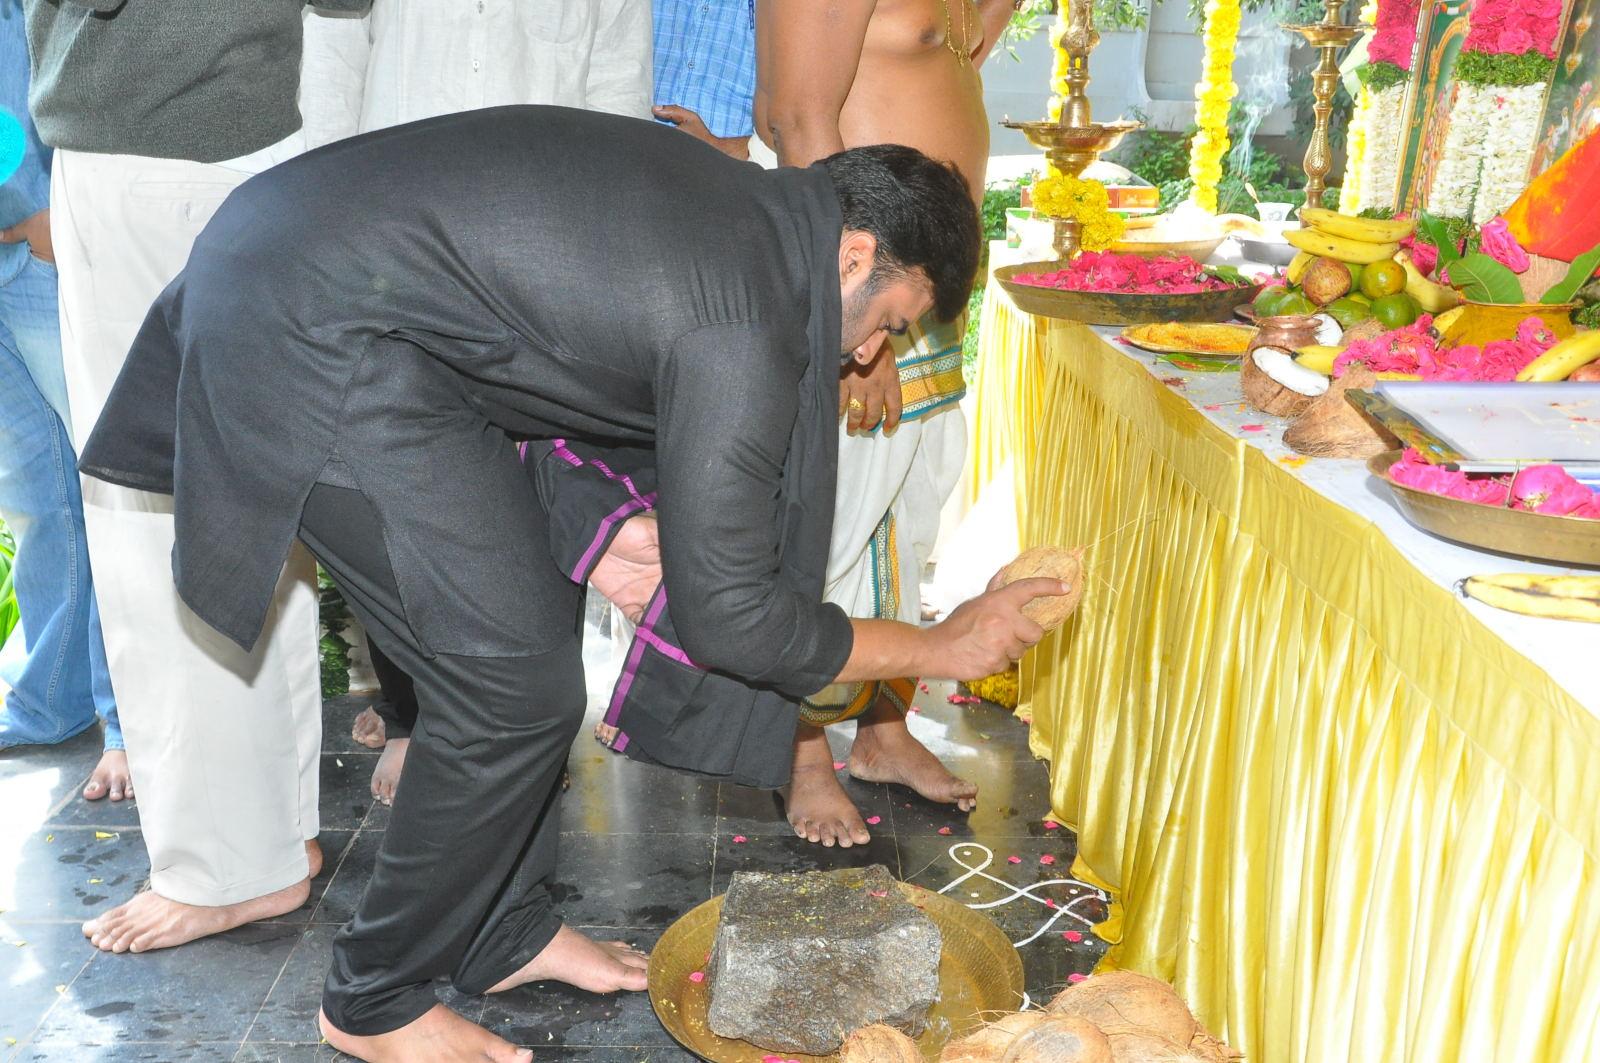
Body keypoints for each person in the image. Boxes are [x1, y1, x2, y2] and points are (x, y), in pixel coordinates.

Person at [76, 106, 1060, 1062]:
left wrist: (613, 525)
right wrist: (943, 644)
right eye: (887, 322)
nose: (867, 354)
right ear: (852, 256)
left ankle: (503, 930)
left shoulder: (750, 223)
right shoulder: (744, 314)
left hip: (362, 304)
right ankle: (372, 997)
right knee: (507, 686)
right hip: (311, 324)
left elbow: (551, 336)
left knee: (530, 624)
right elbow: (733, 621)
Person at [24, 0, 371, 954]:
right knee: (253, 501)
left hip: (149, 141)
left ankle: (228, 867)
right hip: (251, 142)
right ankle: (275, 835)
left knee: (154, 513)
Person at [297, 0, 653, 805]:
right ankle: (412, 716)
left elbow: (618, 95)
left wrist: (598, 255)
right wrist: (324, 214)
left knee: (542, 485)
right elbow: (333, 64)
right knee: (392, 486)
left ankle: (533, 725)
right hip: (389, 230)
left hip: (542, 245)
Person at [739, 0, 1017, 847]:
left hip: (918, 273)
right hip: (859, 274)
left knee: (906, 513)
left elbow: (954, 55)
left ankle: (883, 731)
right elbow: (795, 113)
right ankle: (801, 752)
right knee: (830, 522)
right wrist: (853, 320)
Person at [0, 1, 127, 800]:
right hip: (16, 235)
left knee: (115, 487)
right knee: (37, 497)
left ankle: (131, 721)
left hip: (43, 237)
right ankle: (49, 700)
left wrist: (36, 210)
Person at [651, 0, 756, 159]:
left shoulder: (786, 12)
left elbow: (792, 133)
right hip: (624, 157)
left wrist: (720, 148)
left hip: (731, 169)